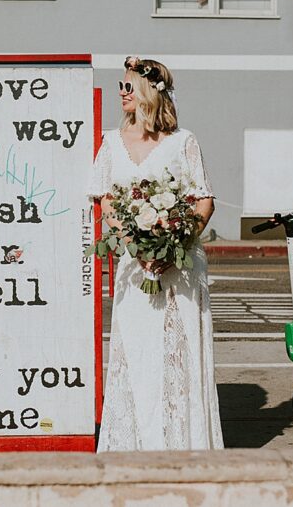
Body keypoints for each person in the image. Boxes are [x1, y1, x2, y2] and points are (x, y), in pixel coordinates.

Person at [88, 56, 224, 451]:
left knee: (180, 354)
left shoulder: (184, 141)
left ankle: (185, 443)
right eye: (120, 85)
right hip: (135, 267)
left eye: (129, 86)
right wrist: (135, 245)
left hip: (180, 267)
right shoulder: (111, 142)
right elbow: (107, 202)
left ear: (151, 91)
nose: (122, 93)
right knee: (138, 353)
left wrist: (177, 243)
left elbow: (203, 202)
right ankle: (137, 445)